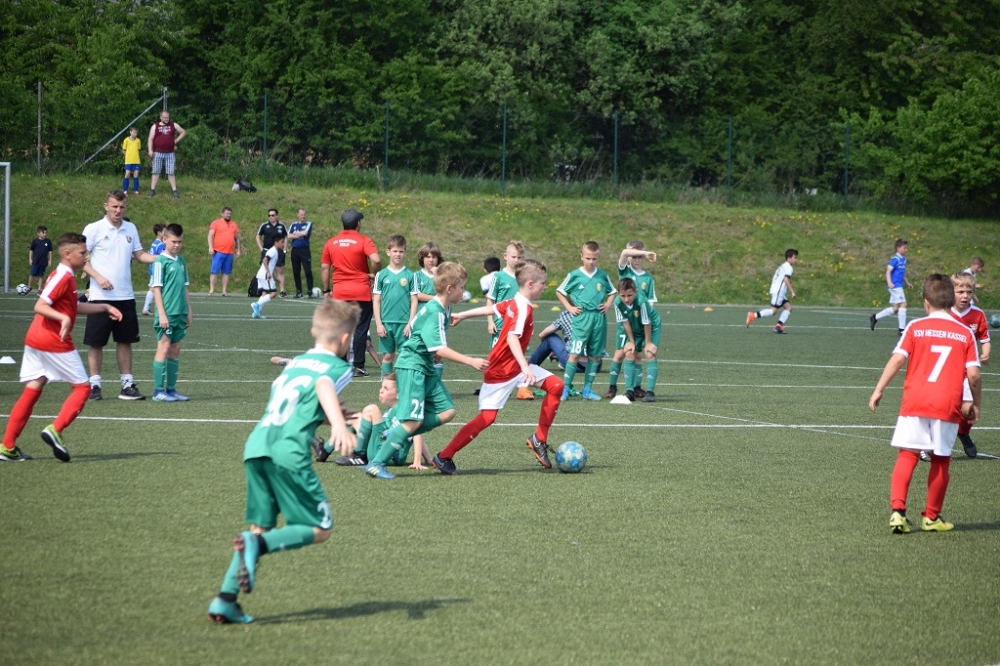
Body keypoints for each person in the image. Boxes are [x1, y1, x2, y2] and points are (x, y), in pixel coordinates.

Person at [207, 299, 360, 624]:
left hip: (258, 445)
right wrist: (337, 422)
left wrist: (323, 415)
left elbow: (290, 400)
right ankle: (257, 545)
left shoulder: (297, 362)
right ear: (346, 339)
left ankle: (225, 599)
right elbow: (322, 384)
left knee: (260, 526)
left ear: (313, 331)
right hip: (288, 452)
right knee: (320, 528)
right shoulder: (339, 368)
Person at [868, 274, 981, 534]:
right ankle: (931, 517)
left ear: (926, 302)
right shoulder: (964, 332)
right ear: (952, 300)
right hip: (947, 405)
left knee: (907, 455)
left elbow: (898, 359)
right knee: (940, 459)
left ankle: (898, 513)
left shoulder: (915, 327)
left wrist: (879, 389)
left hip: (915, 401)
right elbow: (974, 375)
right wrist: (976, 404)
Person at [1, 233, 122, 463]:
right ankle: (55, 429)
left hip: (36, 339)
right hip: (53, 340)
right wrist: (63, 318)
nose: (86, 257)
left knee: (33, 388)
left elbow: (73, 307)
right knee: (83, 388)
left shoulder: (65, 275)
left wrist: (104, 307)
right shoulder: (63, 277)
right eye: (82, 253)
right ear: (67, 254)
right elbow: (40, 305)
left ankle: (7, 446)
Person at [433, 260, 564, 474]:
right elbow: (512, 337)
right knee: (487, 418)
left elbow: (493, 308)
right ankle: (444, 456)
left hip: (515, 366)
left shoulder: (516, 302)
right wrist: (525, 367)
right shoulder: (522, 308)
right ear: (530, 284)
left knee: (556, 386)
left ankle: (539, 439)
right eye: (543, 283)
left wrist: (463, 315)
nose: (544, 287)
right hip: (502, 370)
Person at [362, 262, 489, 480]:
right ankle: (376, 463)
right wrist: (470, 361)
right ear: (449, 288)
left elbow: (426, 337)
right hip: (413, 366)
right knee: (413, 421)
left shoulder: (444, 308)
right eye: (461, 287)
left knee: (447, 411)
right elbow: (438, 347)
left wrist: (433, 352)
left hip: (426, 366)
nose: (464, 292)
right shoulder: (435, 311)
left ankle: (397, 432)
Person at [82, 190, 157, 401]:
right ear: (106, 206)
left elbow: (139, 255)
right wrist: (98, 277)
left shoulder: (130, 228)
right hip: (99, 297)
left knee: (125, 341)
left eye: (122, 207)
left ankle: (127, 385)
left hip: (125, 296)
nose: (118, 210)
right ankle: (94, 385)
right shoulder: (93, 229)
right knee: (96, 342)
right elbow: (81, 259)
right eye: (114, 206)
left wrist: (162, 258)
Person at [320, 208, 382, 377]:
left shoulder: (331, 242)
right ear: (358, 224)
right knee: (361, 329)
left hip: (340, 293)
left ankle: (341, 365)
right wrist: (376, 275)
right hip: (361, 292)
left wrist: (326, 290)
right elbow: (376, 259)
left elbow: (325, 268)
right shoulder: (364, 240)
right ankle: (358, 366)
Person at [322, 373, 430, 469]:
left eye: (386, 388)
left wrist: (417, 461)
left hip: (390, 456)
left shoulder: (403, 410)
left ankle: (359, 455)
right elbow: (416, 431)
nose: (381, 390)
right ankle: (324, 450)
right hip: (379, 449)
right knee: (356, 418)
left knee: (371, 410)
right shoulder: (391, 410)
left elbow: (416, 434)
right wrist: (428, 459)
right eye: (381, 387)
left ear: (399, 394)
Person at [556, 241, 617, 401]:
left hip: (598, 318)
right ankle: (566, 388)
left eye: (594, 259)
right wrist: (569, 308)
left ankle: (587, 389)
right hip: (582, 318)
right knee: (574, 354)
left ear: (598, 258)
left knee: (594, 356)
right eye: (588, 258)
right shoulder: (574, 275)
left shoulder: (602, 275)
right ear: (581, 257)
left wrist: (608, 304)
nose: (591, 262)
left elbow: (612, 292)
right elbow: (560, 291)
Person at [949, 272, 990, 458]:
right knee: (943, 408)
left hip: (968, 369)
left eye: (969, 292)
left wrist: (985, 352)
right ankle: (930, 444)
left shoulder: (978, 314)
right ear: (950, 292)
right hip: (946, 369)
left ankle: (963, 432)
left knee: (968, 410)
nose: (965, 296)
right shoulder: (944, 312)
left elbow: (985, 339)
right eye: (960, 292)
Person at [150, 224, 192, 402]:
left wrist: (189, 311)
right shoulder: (160, 261)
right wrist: (162, 314)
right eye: (174, 241)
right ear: (164, 239)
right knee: (164, 347)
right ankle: (158, 391)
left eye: (180, 242)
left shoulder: (181, 262)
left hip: (180, 313)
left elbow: (185, 288)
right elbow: (156, 289)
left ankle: (172, 390)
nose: (177, 245)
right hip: (167, 313)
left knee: (175, 349)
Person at [606, 278, 662, 402]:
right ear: (618, 294)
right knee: (629, 352)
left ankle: (650, 393)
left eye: (630, 295)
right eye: (623, 296)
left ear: (636, 292)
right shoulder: (617, 302)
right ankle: (630, 391)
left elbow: (647, 323)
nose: (626, 299)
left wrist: (648, 343)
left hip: (652, 326)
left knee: (650, 353)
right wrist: (631, 342)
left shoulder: (641, 302)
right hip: (634, 326)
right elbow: (625, 323)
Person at [372, 234, 417, 377]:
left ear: (405, 253)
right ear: (388, 252)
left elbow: (414, 300)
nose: (398, 254)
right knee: (388, 356)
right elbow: (376, 300)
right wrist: (379, 324)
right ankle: (385, 386)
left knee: (405, 356)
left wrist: (410, 323)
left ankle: (403, 385)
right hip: (386, 323)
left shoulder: (411, 275)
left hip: (404, 323)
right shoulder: (381, 275)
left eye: (401, 251)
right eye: (395, 251)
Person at [617, 240, 658, 396]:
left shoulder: (648, 278)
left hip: (643, 322)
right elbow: (624, 252)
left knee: (640, 355)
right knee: (625, 353)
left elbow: (651, 300)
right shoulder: (625, 272)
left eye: (640, 256)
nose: (637, 259)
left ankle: (637, 387)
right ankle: (617, 387)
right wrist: (646, 253)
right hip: (628, 321)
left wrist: (647, 316)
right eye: (634, 256)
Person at [746, 248, 798, 334]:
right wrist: (792, 291)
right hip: (778, 292)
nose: (796, 260)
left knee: (788, 308)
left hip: (777, 290)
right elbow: (786, 280)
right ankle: (753, 315)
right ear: (789, 258)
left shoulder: (783, 266)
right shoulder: (789, 267)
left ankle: (778, 326)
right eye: (795, 257)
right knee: (773, 311)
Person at [869, 239, 913, 334]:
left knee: (896, 308)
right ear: (898, 248)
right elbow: (888, 271)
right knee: (903, 304)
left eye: (906, 248)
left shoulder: (903, 259)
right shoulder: (895, 259)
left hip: (898, 285)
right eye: (904, 248)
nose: (906, 249)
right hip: (895, 286)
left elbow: (901, 273)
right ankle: (901, 329)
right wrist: (889, 282)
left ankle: (875, 317)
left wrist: (907, 282)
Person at [486, 241, 524, 348]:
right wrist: (490, 321)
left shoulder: (523, 277)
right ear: (505, 256)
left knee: (516, 355)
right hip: (501, 324)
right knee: (497, 355)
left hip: (518, 324)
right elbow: (490, 300)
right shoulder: (498, 277)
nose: (516, 260)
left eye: (519, 257)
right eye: (513, 257)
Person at [147, 110, 185, 198]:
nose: (166, 119)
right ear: (161, 117)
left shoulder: (173, 125)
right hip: (158, 153)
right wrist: (150, 150)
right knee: (155, 171)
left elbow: (183, 132)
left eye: (167, 117)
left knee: (171, 172)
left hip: (170, 153)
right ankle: (152, 190)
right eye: (164, 117)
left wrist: (176, 140)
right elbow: (150, 139)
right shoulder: (155, 126)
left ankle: (174, 191)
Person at [208, 207, 241, 297]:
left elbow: (237, 238)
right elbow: (210, 235)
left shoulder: (233, 224)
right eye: (227, 213)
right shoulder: (216, 223)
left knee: (226, 272)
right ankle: (211, 290)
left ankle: (224, 291)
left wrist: (238, 250)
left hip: (229, 252)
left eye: (230, 214)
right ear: (222, 214)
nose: (228, 215)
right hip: (218, 251)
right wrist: (210, 247)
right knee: (214, 271)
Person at [251, 234, 285, 320]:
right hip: (265, 275)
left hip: (261, 274)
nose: (283, 244)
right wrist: (268, 273)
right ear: (276, 243)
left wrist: (276, 277)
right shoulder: (273, 251)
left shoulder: (275, 251)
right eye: (282, 242)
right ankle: (256, 304)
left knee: (264, 293)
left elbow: (271, 266)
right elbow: (265, 260)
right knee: (273, 293)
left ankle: (257, 313)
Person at [256, 209, 287, 297]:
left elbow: (285, 237)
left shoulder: (281, 226)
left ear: (276, 216)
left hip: (279, 251)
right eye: (269, 215)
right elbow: (257, 236)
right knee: (266, 268)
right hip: (267, 250)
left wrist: (284, 249)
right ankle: (265, 290)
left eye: (273, 215)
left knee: (280, 270)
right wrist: (261, 249)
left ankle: (282, 291)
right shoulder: (264, 225)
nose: (271, 217)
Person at [287, 208, 315, 298]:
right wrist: (298, 234)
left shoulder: (308, 224)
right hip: (295, 250)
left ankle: (310, 291)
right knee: (296, 271)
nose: (303, 216)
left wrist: (295, 233)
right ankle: (298, 291)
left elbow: (305, 233)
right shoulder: (293, 224)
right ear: (297, 215)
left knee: (307, 271)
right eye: (301, 214)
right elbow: (288, 235)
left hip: (304, 250)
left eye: (304, 214)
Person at [141, 224, 166, 315]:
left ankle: (148, 308)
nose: (166, 233)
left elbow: (149, 253)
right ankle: (146, 308)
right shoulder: (160, 244)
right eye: (164, 231)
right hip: (157, 268)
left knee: (154, 288)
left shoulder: (154, 243)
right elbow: (163, 257)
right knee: (154, 288)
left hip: (152, 267)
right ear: (159, 233)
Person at [26, 226, 53, 294]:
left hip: (43, 262)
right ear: (38, 233)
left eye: (45, 233)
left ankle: (39, 289)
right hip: (36, 261)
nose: (45, 234)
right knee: (32, 274)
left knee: (41, 275)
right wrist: (30, 259)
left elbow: (50, 251)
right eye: (43, 233)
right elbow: (31, 250)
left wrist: (50, 260)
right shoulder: (35, 241)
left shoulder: (48, 241)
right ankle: (29, 287)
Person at [121, 126, 141, 195]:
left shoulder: (138, 141)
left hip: (136, 161)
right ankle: (125, 191)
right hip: (128, 161)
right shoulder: (126, 140)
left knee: (136, 174)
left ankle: (136, 191)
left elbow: (138, 149)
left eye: (136, 133)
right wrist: (126, 156)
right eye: (134, 132)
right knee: (127, 174)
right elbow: (123, 150)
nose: (136, 134)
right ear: (130, 132)